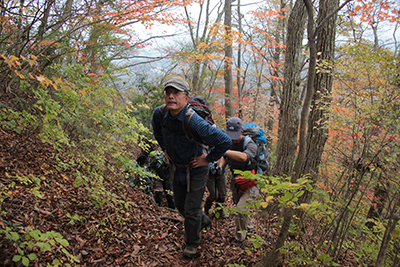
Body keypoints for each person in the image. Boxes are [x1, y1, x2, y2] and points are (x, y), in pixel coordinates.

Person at [151, 75, 232, 259]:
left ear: (186, 98)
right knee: (181, 206)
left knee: (192, 209)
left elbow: (225, 141)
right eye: (168, 93)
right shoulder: (160, 113)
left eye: (176, 93)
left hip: (196, 170)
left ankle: (192, 243)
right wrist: (164, 149)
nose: (171, 96)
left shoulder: (194, 121)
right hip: (176, 167)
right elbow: (156, 129)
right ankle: (202, 220)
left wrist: (208, 159)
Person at [220, 117, 260, 247]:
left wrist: (224, 150)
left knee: (240, 209)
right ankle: (250, 228)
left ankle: (239, 239)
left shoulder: (250, 144)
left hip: (252, 184)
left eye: (235, 136)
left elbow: (244, 157)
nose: (232, 138)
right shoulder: (228, 142)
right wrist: (219, 167)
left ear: (241, 132)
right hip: (237, 183)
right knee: (241, 207)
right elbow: (225, 158)